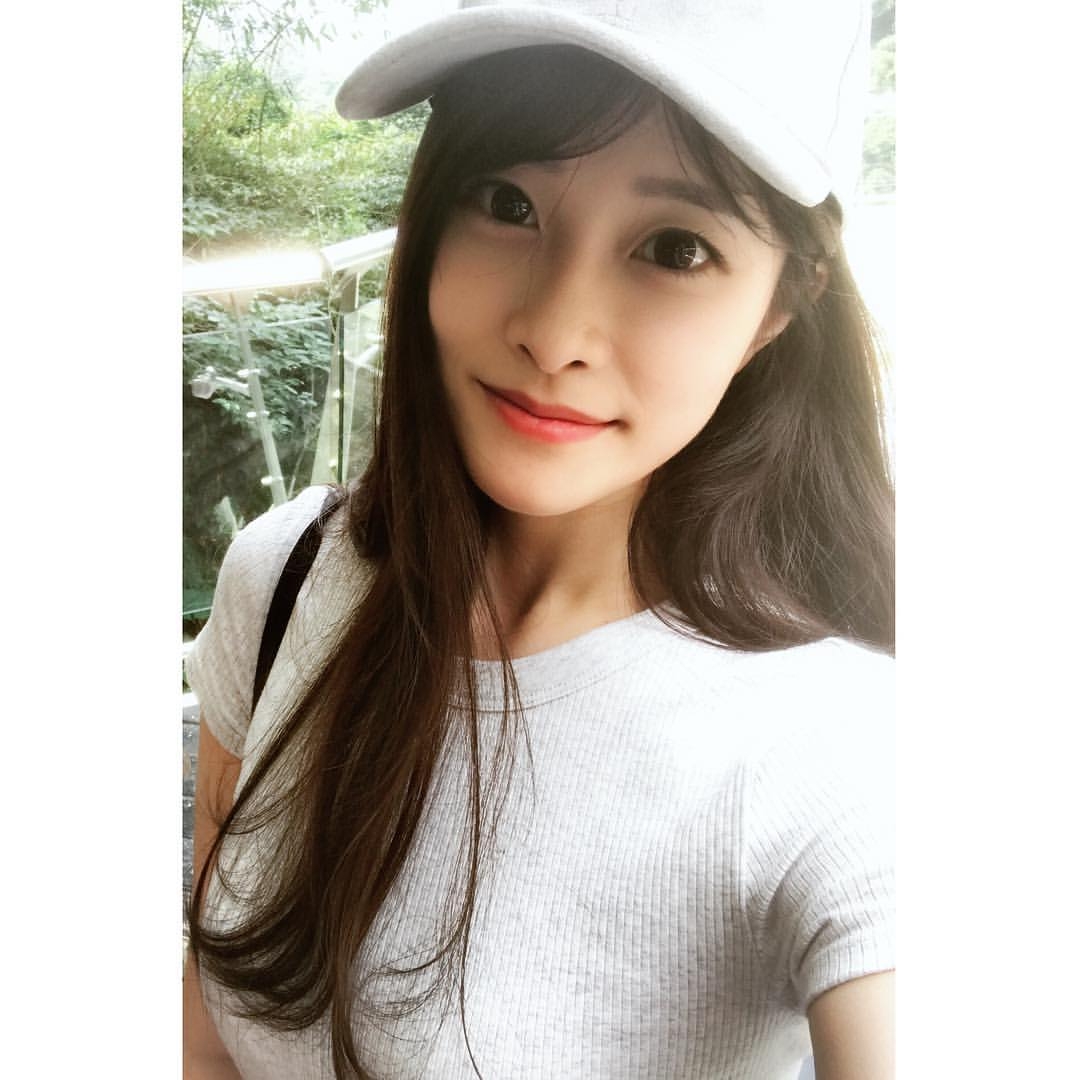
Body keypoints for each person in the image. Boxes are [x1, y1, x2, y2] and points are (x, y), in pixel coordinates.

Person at [183, 2, 896, 1078]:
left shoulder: (843, 743)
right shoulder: (285, 575)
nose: (554, 333)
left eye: (676, 248)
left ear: (781, 307)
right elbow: (206, 1029)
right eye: (506, 201)